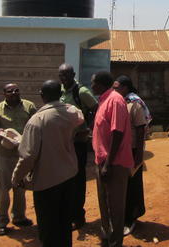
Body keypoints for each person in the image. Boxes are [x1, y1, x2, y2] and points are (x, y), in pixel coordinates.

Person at [12, 80, 84, 247]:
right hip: (69, 176)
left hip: (47, 182)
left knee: (48, 227)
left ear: (42, 96)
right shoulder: (72, 112)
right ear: (60, 95)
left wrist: (17, 177)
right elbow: (79, 116)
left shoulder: (37, 121)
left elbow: (28, 156)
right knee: (64, 222)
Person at [0, 83, 37, 236]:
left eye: (17, 90)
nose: (14, 93)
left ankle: (19, 217)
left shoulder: (29, 107)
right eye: (10, 91)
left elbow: (36, 125)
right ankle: (1, 221)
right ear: (4, 94)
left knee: (20, 187)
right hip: (5, 156)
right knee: (3, 189)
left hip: (22, 155)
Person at [91, 71, 133, 247]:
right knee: (104, 202)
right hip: (102, 160)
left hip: (114, 163)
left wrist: (108, 163)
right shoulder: (103, 99)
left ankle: (116, 242)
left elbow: (117, 132)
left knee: (115, 206)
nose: (91, 85)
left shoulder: (115, 100)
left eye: (93, 83)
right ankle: (108, 236)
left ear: (100, 84)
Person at [59, 63, 98, 230]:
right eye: (61, 75)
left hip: (78, 143)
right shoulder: (59, 91)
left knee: (77, 179)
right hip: (62, 142)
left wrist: (88, 129)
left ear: (73, 74)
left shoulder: (81, 92)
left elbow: (96, 109)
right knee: (64, 178)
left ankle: (78, 215)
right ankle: (66, 213)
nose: (64, 78)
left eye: (67, 75)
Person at [113, 75, 151, 235]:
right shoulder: (120, 102)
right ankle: (124, 216)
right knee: (123, 184)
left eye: (117, 87)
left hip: (133, 149)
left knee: (132, 184)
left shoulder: (134, 103)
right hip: (124, 149)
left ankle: (131, 218)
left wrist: (139, 155)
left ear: (125, 88)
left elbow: (141, 128)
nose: (114, 90)